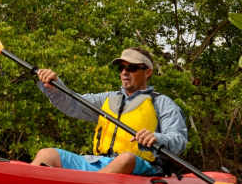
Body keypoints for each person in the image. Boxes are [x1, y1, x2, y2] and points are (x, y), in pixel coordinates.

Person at [30, 47, 187, 176]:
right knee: (47, 154)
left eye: (131, 68)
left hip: (140, 166)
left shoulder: (162, 103)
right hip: (98, 162)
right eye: (121, 68)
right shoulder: (107, 99)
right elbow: (72, 103)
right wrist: (54, 85)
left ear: (148, 72)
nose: (124, 72)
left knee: (126, 158)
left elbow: (179, 141)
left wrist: (156, 137)